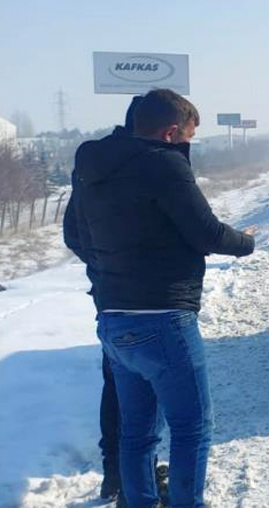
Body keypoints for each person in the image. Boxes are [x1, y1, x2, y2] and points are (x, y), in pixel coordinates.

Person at [68, 88, 255, 508]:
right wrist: (246, 242)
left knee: (136, 433)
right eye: (189, 137)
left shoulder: (92, 167)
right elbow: (205, 231)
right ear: (172, 133)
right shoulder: (165, 165)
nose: (189, 146)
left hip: (113, 317)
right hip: (164, 317)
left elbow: (76, 235)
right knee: (192, 428)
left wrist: (113, 273)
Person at [63, 96, 142, 502]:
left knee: (116, 379)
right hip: (142, 295)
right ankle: (133, 480)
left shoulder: (91, 165)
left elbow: (72, 233)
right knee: (144, 386)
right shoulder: (147, 165)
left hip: (108, 292)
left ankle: (116, 472)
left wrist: (104, 269)